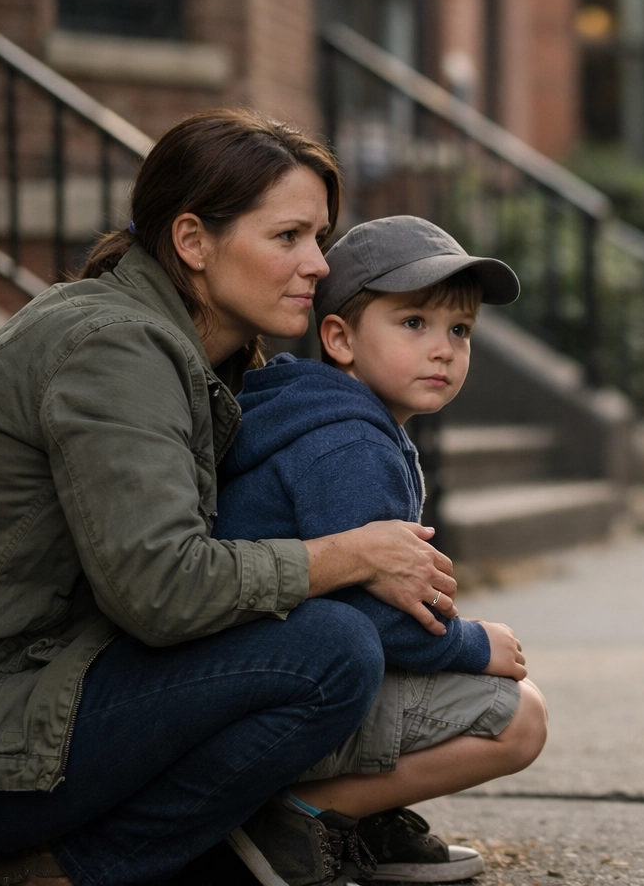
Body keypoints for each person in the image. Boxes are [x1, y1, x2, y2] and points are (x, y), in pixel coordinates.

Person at [0, 109, 534, 886]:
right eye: (289, 238)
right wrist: (350, 555)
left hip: (54, 693)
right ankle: (73, 869)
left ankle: (244, 833)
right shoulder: (114, 349)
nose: (317, 265)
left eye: (319, 237)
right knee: (332, 652)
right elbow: (160, 588)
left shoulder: (206, 363)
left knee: (333, 640)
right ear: (192, 242)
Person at [213, 215, 546, 883]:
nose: (444, 349)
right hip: (276, 701)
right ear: (338, 337)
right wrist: (473, 644)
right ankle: (303, 815)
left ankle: (355, 815)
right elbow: (370, 622)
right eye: (413, 323)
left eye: (460, 330)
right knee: (521, 719)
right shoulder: (349, 445)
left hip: (264, 687)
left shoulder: (331, 415)